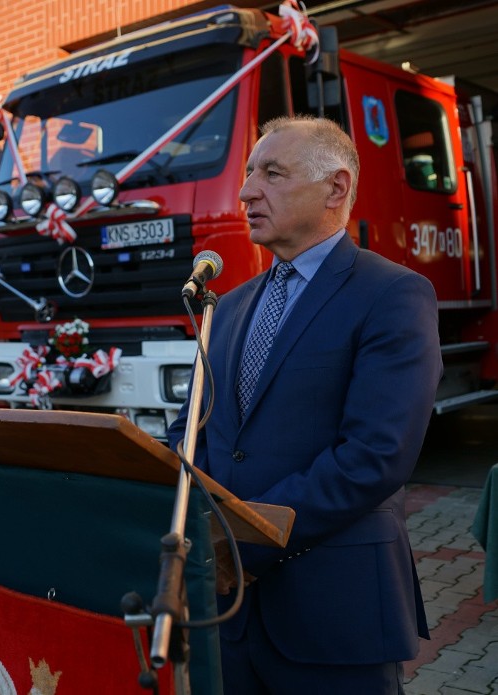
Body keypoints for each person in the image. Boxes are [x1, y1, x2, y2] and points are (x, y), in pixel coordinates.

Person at [167, 116, 442, 694]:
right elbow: (190, 434)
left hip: (335, 613)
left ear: (336, 189)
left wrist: (237, 539)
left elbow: (375, 455)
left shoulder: (392, 294)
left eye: (271, 173)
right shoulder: (229, 306)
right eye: (247, 174)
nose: (245, 192)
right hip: (230, 618)